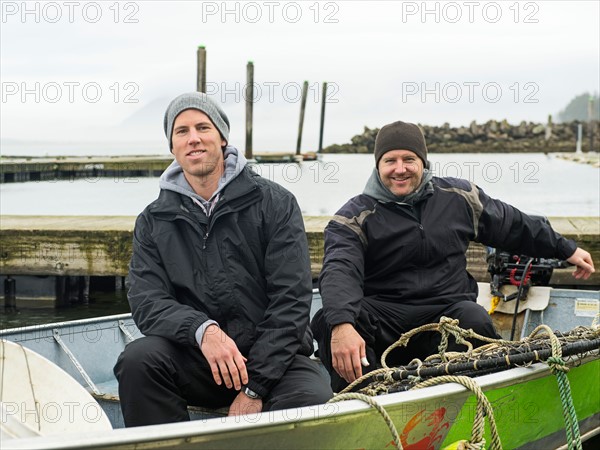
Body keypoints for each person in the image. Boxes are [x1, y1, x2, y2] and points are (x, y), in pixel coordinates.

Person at [311, 120, 595, 392]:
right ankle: (365, 398)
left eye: (409, 159)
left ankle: (479, 396)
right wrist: (342, 325)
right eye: (390, 161)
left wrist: (565, 248)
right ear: (378, 165)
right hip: (386, 316)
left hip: (447, 313)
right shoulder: (354, 216)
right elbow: (339, 269)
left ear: (423, 161)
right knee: (329, 320)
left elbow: (514, 225)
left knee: (475, 318)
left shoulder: (459, 197)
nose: (400, 169)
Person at [114, 92, 332, 426]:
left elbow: (291, 301)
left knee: (311, 403)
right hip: (199, 359)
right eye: (182, 131)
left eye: (203, 127)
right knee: (138, 360)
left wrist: (255, 388)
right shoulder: (153, 220)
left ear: (223, 137)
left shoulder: (275, 204)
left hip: (275, 362)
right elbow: (147, 301)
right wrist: (203, 331)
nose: (194, 138)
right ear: (172, 147)